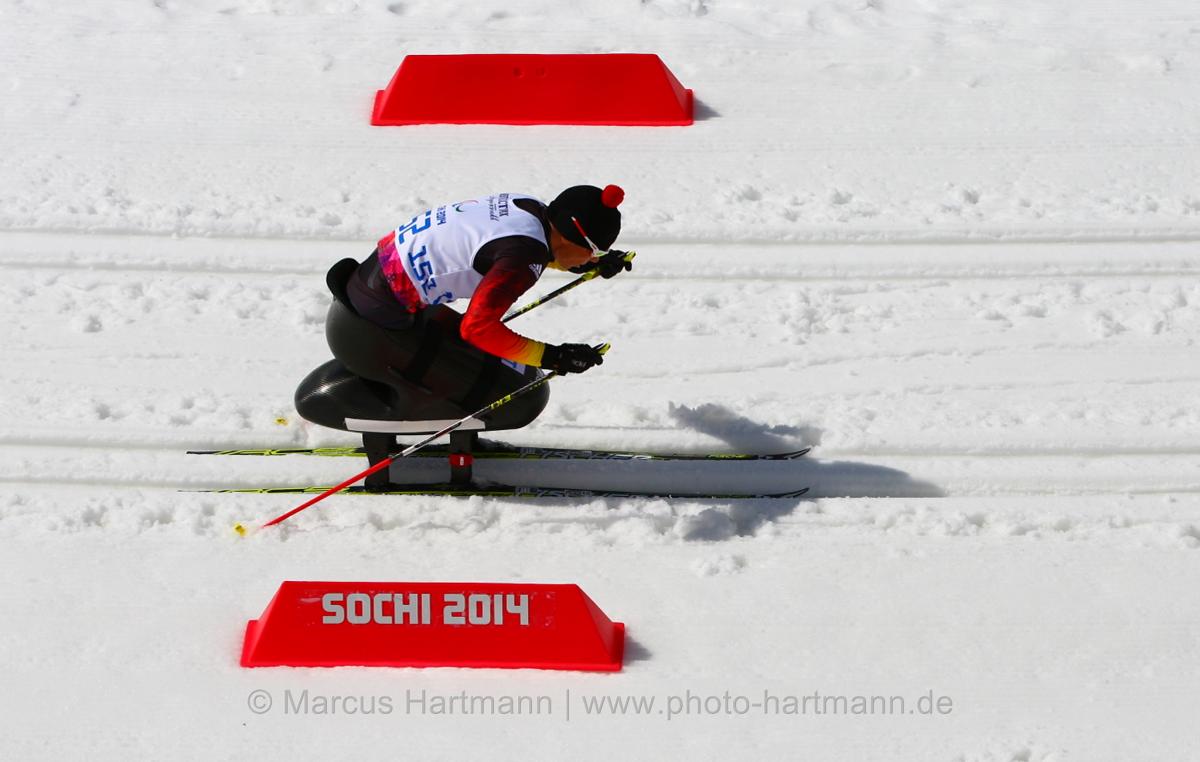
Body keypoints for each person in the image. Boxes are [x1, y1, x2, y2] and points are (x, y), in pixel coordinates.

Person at [323, 184, 633, 409]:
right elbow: (478, 328)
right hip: (377, 324)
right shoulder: (523, 260)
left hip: (370, 285)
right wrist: (554, 357)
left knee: (477, 363)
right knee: (494, 389)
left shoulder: (527, 205)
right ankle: (449, 451)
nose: (593, 258)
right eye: (594, 251)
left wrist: (586, 264)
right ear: (571, 236)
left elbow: (515, 248)